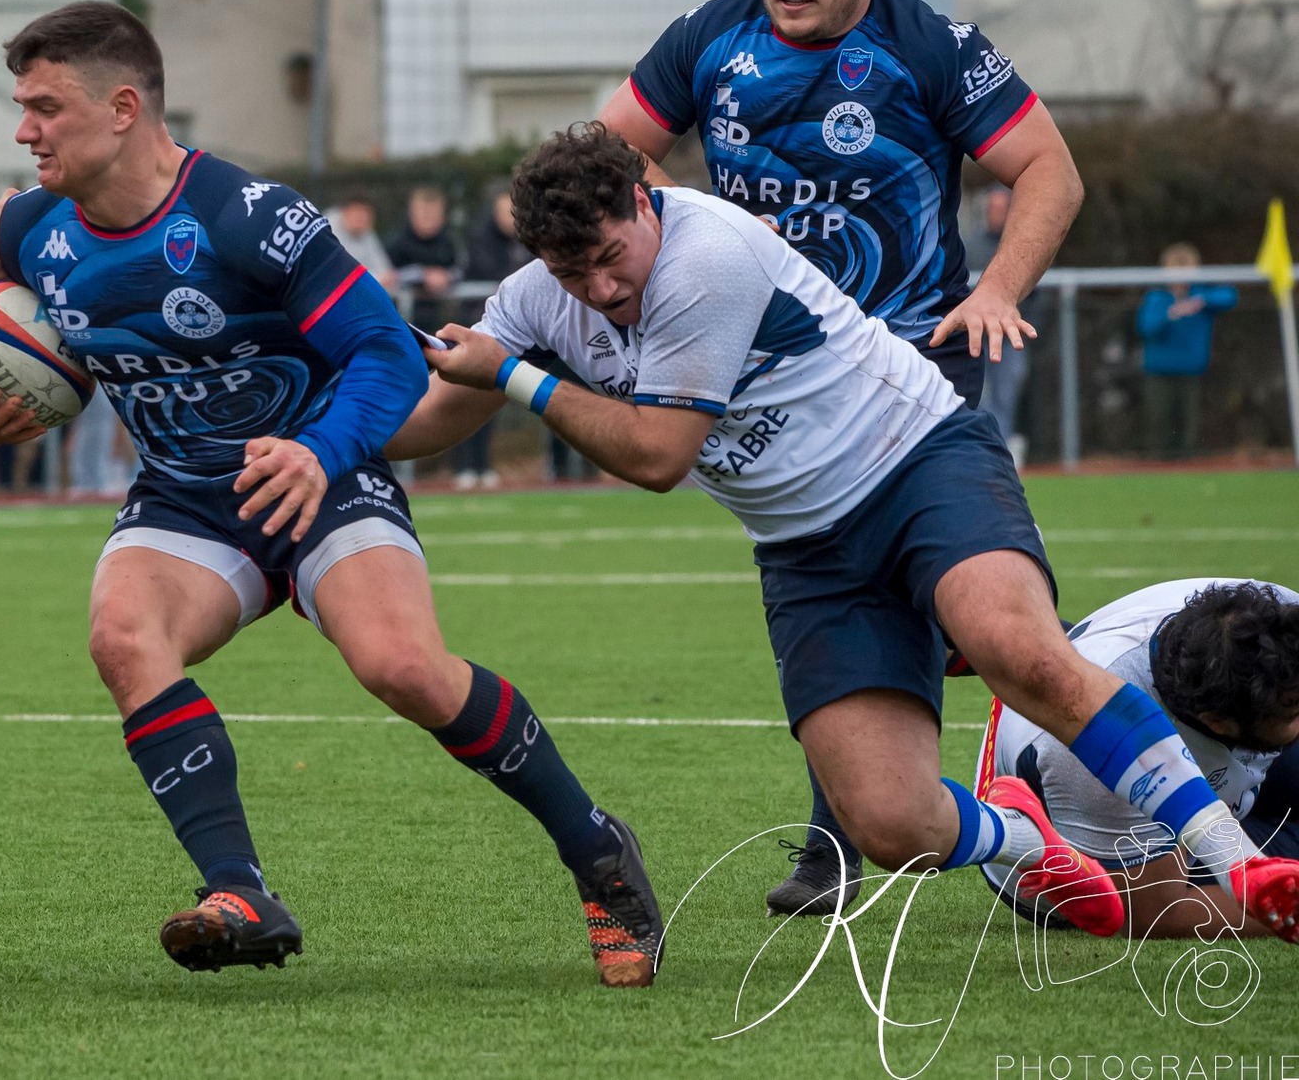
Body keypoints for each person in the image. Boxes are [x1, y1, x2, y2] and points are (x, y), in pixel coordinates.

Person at [388, 123, 1299, 947]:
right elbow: (438, 410)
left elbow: (658, 455)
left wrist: (516, 377)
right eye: (569, 275)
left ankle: (1240, 863)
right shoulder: (537, 296)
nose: (599, 289)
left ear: (641, 200)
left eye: (607, 258)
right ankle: (1025, 838)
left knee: (1020, 652)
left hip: (918, 463)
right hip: (808, 552)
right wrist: (336, 442)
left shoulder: (706, 254)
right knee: (891, 824)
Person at [0, 2, 664, 986]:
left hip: (323, 469)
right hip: (187, 493)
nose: (24, 130)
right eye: (21, 107)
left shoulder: (248, 214)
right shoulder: (33, 226)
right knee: (124, 637)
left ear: (121, 108)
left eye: (43, 107)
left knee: (404, 667)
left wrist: (319, 451)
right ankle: (236, 891)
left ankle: (595, 848)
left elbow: (384, 352)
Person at [595, 0, 1087, 916]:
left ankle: (1028, 751)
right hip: (781, 369)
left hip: (914, 354)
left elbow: (1048, 167)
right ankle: (855, 814)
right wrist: (688, 231)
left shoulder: (928, 44)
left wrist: (997, 287)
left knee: (947, 599)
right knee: (850, 583)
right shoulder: (707, 38)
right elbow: (604, 153)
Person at [976, 579, 1299, 937]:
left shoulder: (1275, 617)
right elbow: (1159, 911)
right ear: (1217, 721)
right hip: (1104, 851)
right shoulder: (1097, 748)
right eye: (1292, 712)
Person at [452, 181, 531, 490]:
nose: (508, 217)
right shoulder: (480, 239)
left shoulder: (527, 240)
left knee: (490, 400)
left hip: (512, 336)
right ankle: (463, 466)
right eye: (502, 210)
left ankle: (482, 464)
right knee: (464, 397)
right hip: (477, 326)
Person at [1137, 243, 1236, 460]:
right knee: (1159, 421)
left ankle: (1189, 464)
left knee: (1190, 424)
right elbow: (1145, 328)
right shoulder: (1157, 297)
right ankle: (1157, 463)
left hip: (1191, 371)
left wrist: (1201, 301)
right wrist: (1169, 315)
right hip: (1159, 371)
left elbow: (1230, 297)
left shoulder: (1200, 295)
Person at [962, 186, 1029, 463]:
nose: (998, 214)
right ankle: (984, 452)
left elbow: (1037, 295)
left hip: (1010, 337)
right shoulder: (969, 247)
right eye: (994, 209)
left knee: (1007, 394)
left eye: (1003, 209)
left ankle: (1002, 451)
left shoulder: (1023, 246)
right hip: (975, 336)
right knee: (980, 396)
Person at [386, 184, 460, 334]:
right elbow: (388, 276)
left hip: (441, 320)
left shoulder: (449, 241)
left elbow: (461, 269)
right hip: (401, 322)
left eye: (433, 214)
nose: (428, 219)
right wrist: (422, 275)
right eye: (424, 213)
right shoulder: (396, 242)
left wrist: (446, 277)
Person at [329, 194, 397, 293]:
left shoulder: (367, 233)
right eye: (358, 213)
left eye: (366, 215)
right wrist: (378, 278)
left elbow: (383, 267)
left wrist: (386, 277)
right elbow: (341, 271)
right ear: (345, 212)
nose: (362, 219)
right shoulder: (328, 230)